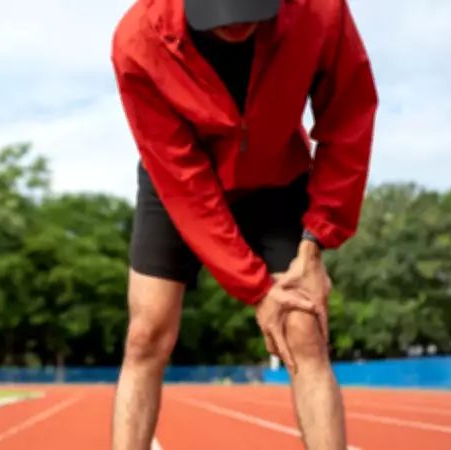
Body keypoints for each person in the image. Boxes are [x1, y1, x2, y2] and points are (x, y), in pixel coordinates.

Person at [110, 0, 377, 448]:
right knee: (147, 333)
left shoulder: (321, 12)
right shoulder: (138, 40)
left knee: (303, 332)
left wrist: (314, 243)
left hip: (277, 174)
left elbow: (348, 120)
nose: (237, 23)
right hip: (179, 179)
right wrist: (255, 288)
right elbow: (186, 186)